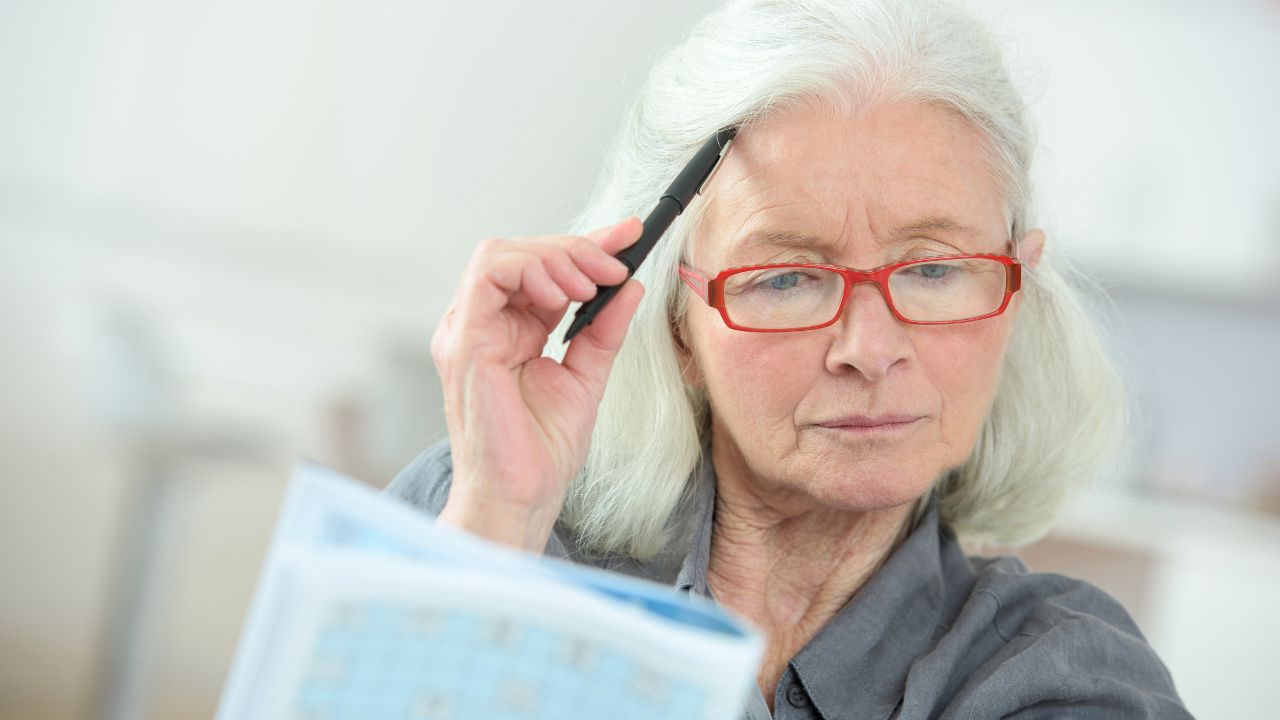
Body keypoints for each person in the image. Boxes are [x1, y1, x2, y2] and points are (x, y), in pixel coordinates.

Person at [387, 0, 1193, 717]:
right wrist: (497, 525)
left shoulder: (1064, 676)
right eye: (787, 279)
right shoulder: (478, 526)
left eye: (934, 269)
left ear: (1016, 295)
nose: (869, 351)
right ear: (677, 324)